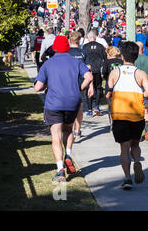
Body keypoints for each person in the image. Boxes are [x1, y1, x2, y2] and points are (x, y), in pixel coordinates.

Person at [34, 35, 93, 182]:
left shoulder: (48, 64)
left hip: (54, 103)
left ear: (54, 48)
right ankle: (68, 154)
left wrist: (47, 84)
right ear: (67, 47)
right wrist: (80, 88)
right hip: (73, 101)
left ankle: (60, 170)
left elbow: (38, 87)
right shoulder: (75, 61)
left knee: (56, 135)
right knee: (68, 129)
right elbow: (89, 76)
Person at [106, 42, 148, 190]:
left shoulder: (115, 73)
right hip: (136, 115)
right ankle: (137, 161)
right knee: (135, 144)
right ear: (136, 56)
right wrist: (140, 94)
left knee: (124, 148)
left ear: (122, 56)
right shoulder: (141, 73)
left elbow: (108, 93)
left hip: (120, 115)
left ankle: (127, 178)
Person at [68, 31, 93, 140]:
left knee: (70, 107)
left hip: (68, 83)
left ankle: (72, 128)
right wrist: (90, 85)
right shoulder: (83, 53)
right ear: (79, 41)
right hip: (81, 83)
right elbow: (89, 70)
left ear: (70, 40)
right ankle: (77, 130)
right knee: (80, 108)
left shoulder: (66, 52)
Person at [83, 31, 107, 117]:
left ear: (88, 38)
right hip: (97, 69)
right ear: (95, 37)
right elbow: (105, 58)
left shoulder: (85, 47)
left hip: (88, 70)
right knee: (98, 87)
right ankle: (96, 105)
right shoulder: (100, 46)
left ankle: (89, 109)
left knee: (88, 89)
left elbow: (83, 58)